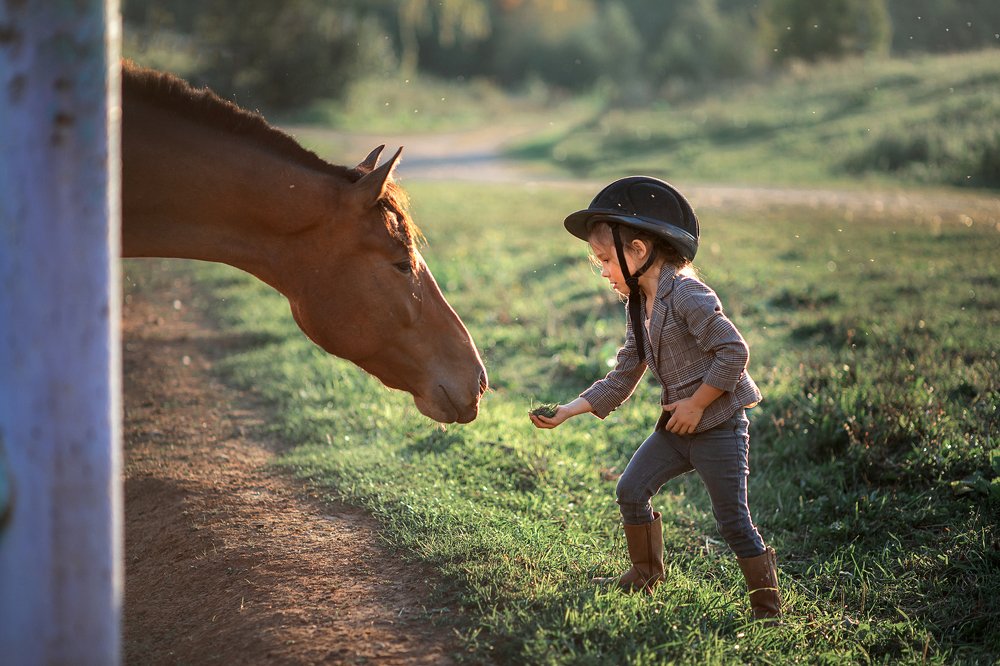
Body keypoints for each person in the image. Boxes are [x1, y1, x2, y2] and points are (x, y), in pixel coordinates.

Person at [528, 176, 781, 620]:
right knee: (630, 489)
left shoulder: (686, 293)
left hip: (717, 425)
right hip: (676, 429)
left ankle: (767, 605)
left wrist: (698, 403)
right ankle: (646, 574)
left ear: (639, 252)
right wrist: (570, 410)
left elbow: (734, 351)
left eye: (605, 260)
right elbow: (626, 369)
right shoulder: (638, 304)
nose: (603, 272)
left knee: (732, 522)